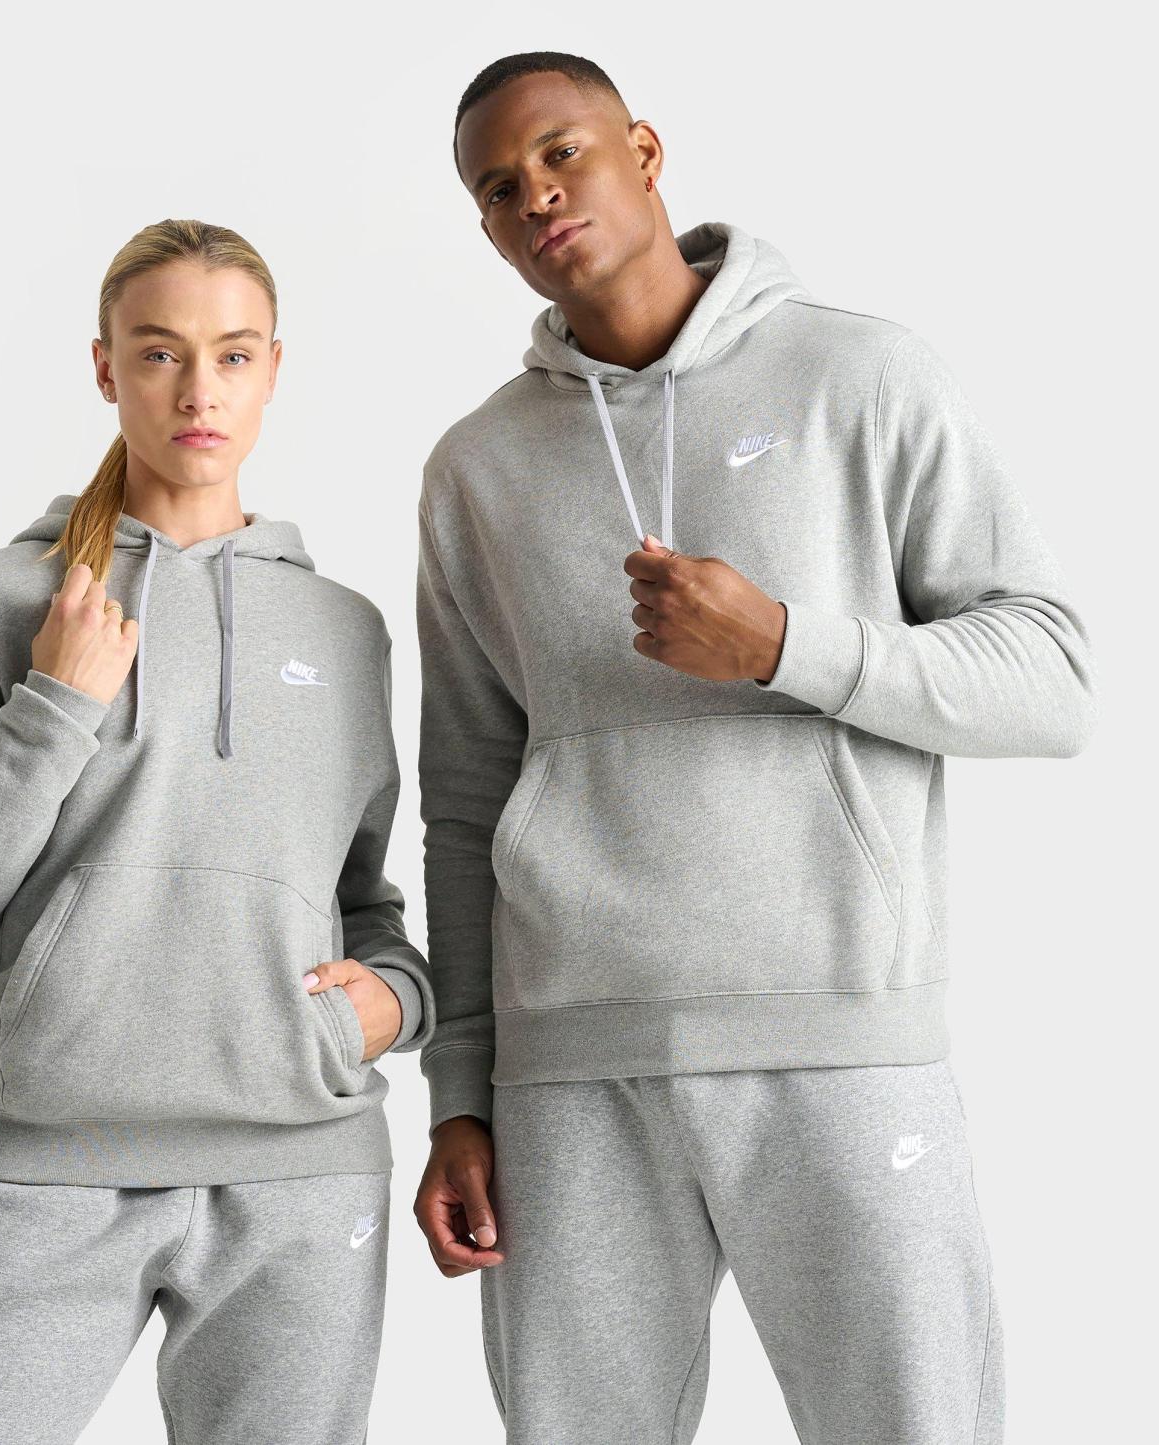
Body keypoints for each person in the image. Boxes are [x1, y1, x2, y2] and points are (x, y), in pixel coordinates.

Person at [412, 52, 1096, 1445]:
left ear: (644, 151)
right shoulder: (474, 467)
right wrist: (459, 1094)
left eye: (560, 153)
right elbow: (467, 797)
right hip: (571, 1070)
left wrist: (787, 644)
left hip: (837, 1039)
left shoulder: (861, 375)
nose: (534, 196)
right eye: (496, 188)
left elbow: (1051, 679)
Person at [0, 218, 434, 1444]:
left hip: (302, 1172)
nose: (198, 390)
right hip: (42, 1165)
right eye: (160, 352)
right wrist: (55, 704)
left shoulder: (344, 629)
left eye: (232, 354)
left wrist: (394, 999)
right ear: (105, 367)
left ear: (273, 369)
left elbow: (358, 898)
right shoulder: (1, 599)